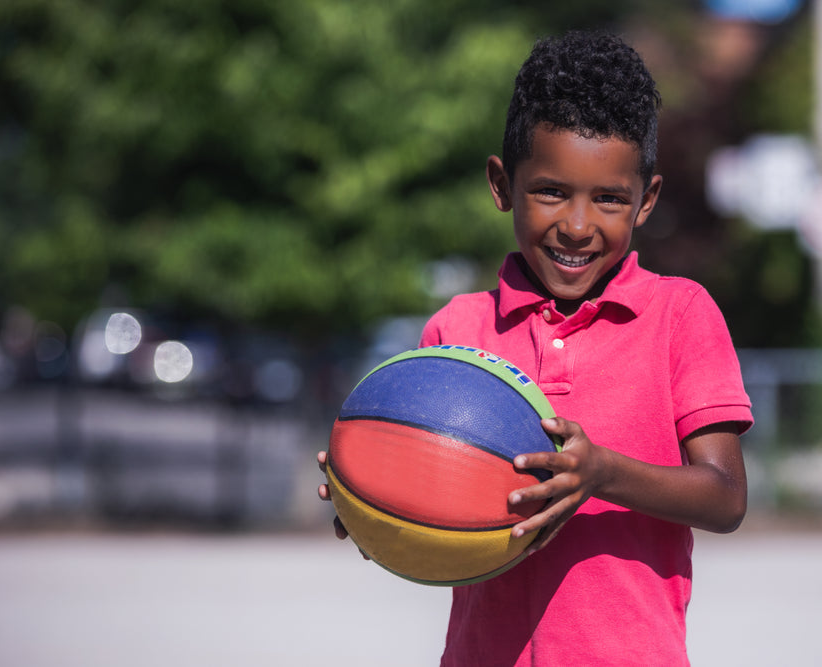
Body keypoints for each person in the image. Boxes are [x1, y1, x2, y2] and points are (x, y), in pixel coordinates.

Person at [318, 30, 753, 666]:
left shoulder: (680, 316)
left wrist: (602, 472)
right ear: (502, 185)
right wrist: (371, 507)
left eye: (609, 199)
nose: (577, 225)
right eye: (550, 190)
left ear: (646, 201)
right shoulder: (455, 333)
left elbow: (725, 496)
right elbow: (429, 521)